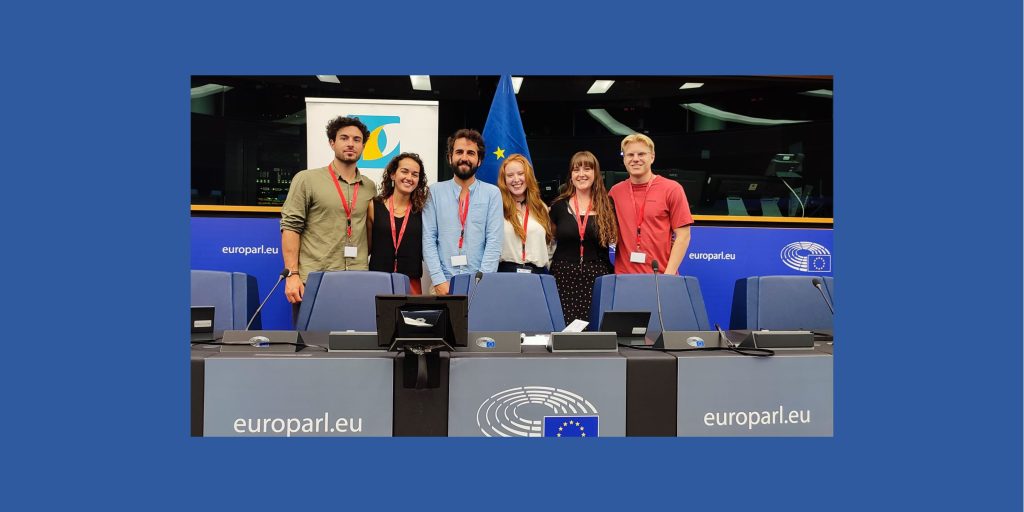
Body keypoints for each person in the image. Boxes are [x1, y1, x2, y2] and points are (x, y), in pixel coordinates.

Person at [280, 116, 377, 323]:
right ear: (332, 142)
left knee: (355, 346)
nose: (351, 143)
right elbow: (290, 227)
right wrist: (292, 275)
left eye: (357, 140)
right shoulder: (306, 179)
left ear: (363, 146)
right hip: (314, 281)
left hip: (357, 280)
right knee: (311, 348)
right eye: (344, 138)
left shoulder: (369, 186)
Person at [421, 129, 504, 295]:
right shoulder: (434, 192)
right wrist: (439, 281)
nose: (464, 158)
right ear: (450, 157)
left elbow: (494, 242)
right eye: (459, 152)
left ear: (479, 160)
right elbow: (428, 239)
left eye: (471, 153)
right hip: (442, 284)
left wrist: (481, 281)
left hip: (479, 285)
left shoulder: (492, 194)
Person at [607, 133, 693, 275]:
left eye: (641, 154)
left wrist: (669, 275)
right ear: (624, 159)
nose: (635, 159)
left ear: (652, 157)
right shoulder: (615, 192)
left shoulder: (672, 189)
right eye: (630, 155)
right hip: (623, 278)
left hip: (660, 277)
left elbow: (683, 236)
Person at [548, 151, 618, 325]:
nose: (581, 174)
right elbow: (549, 240)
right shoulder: (558, 206)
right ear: (571, 175)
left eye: (587, 169)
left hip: (596, 276)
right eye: (576, 169)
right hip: (563, 277)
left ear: (596, 173)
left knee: (594, 329)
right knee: (564, 329)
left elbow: (613, 239)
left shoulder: (607, 205)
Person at [368, 152, 428, 294]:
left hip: (411, 283)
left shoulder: (423, 210)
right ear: (393, 175)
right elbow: (368, 246)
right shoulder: (373, 206)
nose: (409, 178)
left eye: (415, 174)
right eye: (404, 171)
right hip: (378, 280)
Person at [496, 154, 553, 273]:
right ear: (504, 180)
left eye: (521, 174)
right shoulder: (497, 208)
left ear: (528, 176)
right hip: (506, 273)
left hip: (538, 273)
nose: (516, 179)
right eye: (510, 175)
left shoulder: (541, 207)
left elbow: (549, 244)